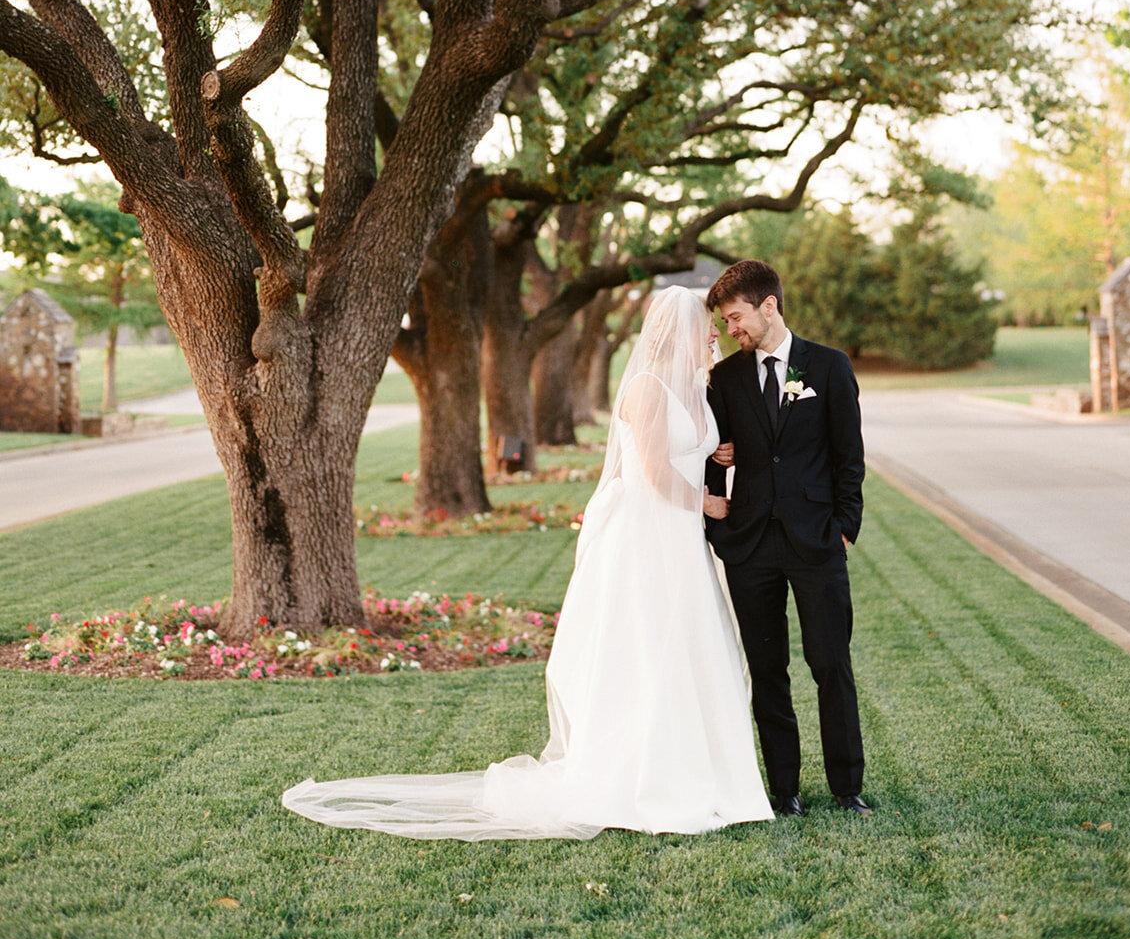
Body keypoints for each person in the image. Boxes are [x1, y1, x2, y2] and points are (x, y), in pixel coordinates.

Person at [282, 285, 773, 839]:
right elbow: (656, 474)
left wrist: (714, 450)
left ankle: (700, 773)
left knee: (685, 649)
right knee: (649, 649)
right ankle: (644, 780)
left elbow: (683, 449)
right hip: (651, 538)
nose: (713, 332)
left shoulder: (693, 387)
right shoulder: (647, 388)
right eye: (705, 325)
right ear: (679, 331)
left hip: (679, 540)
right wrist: (708, 501)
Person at [703, 259, 870, 817]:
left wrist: (844, 526)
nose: (732, 331)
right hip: (749, 547)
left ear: (768, 306)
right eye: (727, 323)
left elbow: (850, 456)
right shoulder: (724, 380)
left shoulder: (828, 367)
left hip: (817, 540)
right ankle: (784, 790)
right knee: (768, 672)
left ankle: (848, 787)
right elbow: (709, 451)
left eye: (736, 318)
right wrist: (718, 524)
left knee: (830, 664)